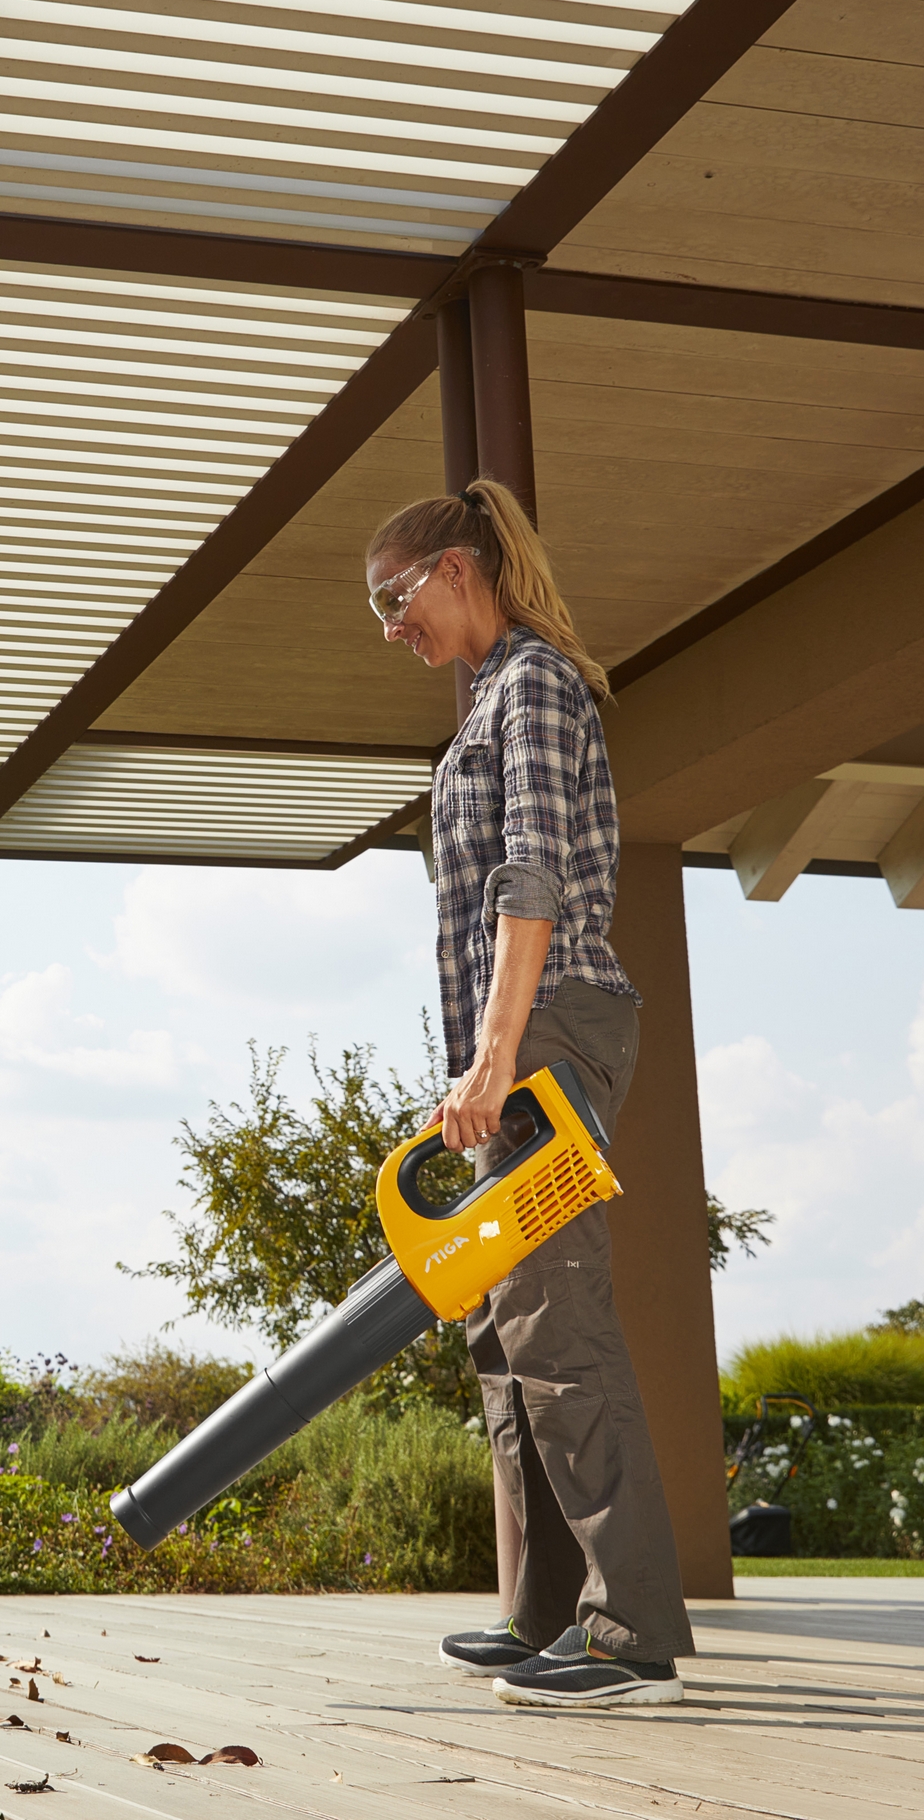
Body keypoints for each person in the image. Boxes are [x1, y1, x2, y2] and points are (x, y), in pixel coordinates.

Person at [366, 479, 693, 1709]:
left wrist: (499, 1048)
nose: (391, 627)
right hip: (510, 1042)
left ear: (456, 568)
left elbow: (533, 873)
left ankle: (630, 1633)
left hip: (549, 1025)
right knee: (502, 1331)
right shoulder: (482, 708)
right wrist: (480, 1056)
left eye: (394, 599)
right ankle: (544, 1606)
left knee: (556, 1323)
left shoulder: (534, 686)